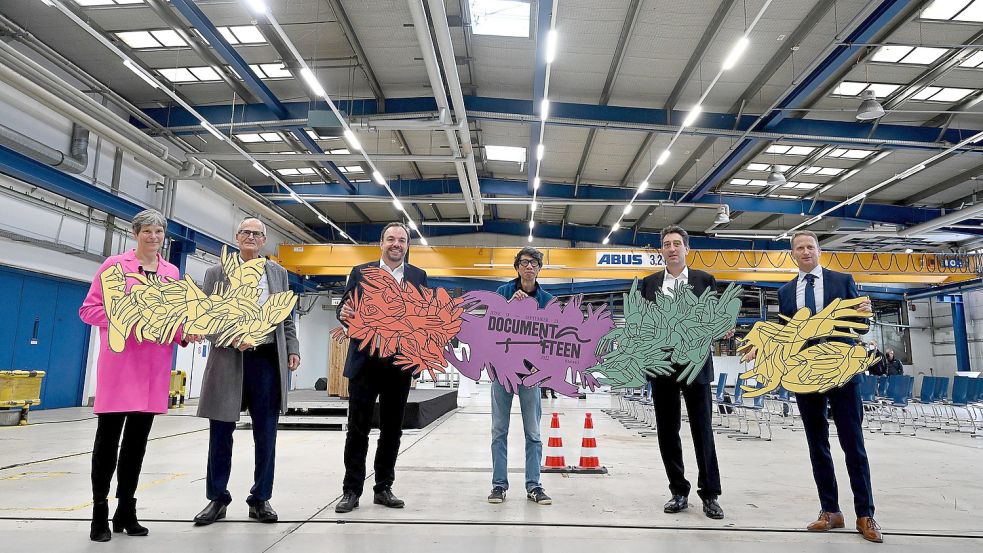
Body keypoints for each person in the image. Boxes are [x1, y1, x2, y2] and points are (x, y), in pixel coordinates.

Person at [79, 208, 201, 542]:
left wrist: (185, 332)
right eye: (147, 231)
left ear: (164, 237)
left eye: (159, 232)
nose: (153, 237)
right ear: (136, 234)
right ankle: (99, 514)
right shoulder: (114, 266)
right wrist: (126, 319)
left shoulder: (171, 272)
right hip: (120, 366)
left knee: (137, 444)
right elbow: (88, 310)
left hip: (153, 367)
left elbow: (172, 318)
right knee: (107, 441)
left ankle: (126, 510)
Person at [776, 230, 882, 543]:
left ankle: (865, 514)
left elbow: (861, 325)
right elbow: (786, 335)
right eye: (799, 248)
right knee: (817, 444)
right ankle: (830, 511)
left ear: (819, 251)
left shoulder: (841, 280)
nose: (805, 251)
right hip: (805, 373)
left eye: (810, 246)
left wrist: (866, 315)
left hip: (842, 369)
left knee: (853, 443)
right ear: (793, 254)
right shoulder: (785, 292)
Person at [193, 217, 300, 526]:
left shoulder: (277, 273)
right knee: (221, 432)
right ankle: (217, 499)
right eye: (246, 232)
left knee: (266, 433)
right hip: (229, 359)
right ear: (236, 237)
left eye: (257, 233)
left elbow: (286, 317)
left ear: (263, 240)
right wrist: (230, 337)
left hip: (266, 359)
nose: (251, 237)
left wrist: (292, 348)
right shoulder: (217, 273)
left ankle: (260, 498)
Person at [334, 222, 428, 513]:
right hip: (365, 363)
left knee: (392, 431)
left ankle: (383, 487)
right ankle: (351, 490)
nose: (396, 244)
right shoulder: (360, 272)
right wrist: (343, 314)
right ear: (381, 243)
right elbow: (344, 309)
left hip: (398, 365)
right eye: (391, 239)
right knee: (357, 430)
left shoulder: (418, 276)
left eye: (401, 240)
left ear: (408, 245)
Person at [641, 225, 726, 520]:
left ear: (687, 249)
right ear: (662, 251)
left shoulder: (705, 281)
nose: (672, 248)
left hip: (695, 365)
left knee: (702, 430)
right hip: (662, 365)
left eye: (677, 243)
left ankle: (710, 494)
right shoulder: (648, 283)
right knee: (667, 430)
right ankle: (678, 490)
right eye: (667, 244)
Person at [488, 247, 553, 505]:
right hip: (502, 370)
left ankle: (534, 486)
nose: (529, 267)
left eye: (534, 262)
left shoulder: (546, 299)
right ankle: (498, 485)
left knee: (533, 432)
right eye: (524, 262)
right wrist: (509, 309)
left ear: (539, 268)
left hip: (531, 373)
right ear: (517, 267)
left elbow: (551, 338)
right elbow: (490, 329)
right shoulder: (503, 294)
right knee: (498, 430)